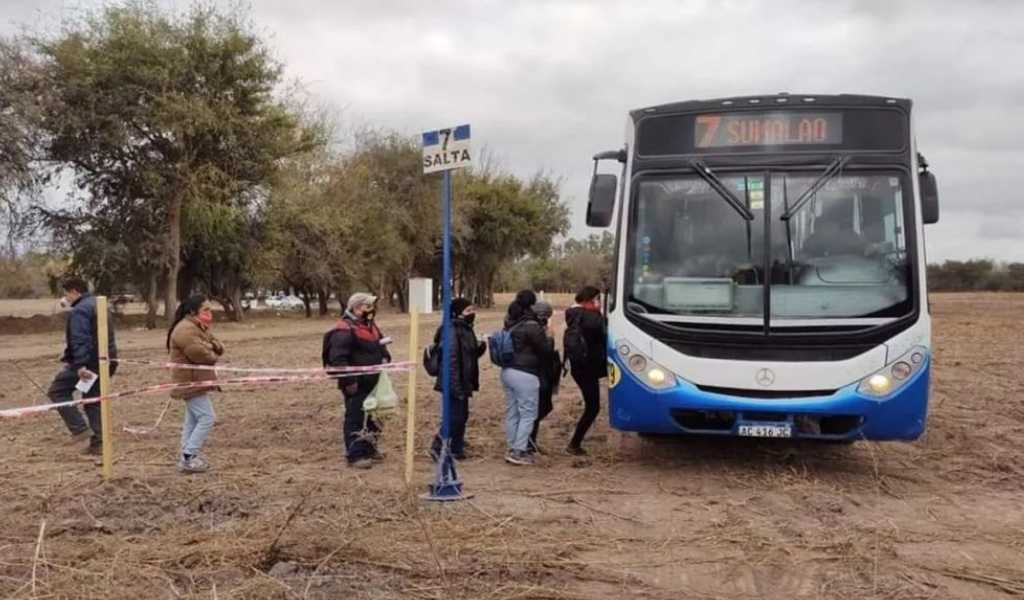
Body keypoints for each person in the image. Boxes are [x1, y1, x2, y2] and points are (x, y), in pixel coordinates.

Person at [47, 275, 118, 456]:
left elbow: (81, 340)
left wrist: (80, 365)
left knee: (57, 391)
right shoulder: (98, 304)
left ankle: (79, 429)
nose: (66, 299)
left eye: (66, 294)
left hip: (88, 363)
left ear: (74, 291)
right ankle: (98, 444)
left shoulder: (80, 310)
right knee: (93, 400)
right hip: (106, 360)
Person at [324, 293, 391, 469]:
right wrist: (349, 381)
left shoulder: (370, 326)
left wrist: (385, 356)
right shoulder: (344, 328)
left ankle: (369, 448)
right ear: (355, 308)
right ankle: (355, 455)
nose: (371, 310)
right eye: (366, 306)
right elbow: (338, 358)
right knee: (355, 417)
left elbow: (380, 344)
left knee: (374, 417)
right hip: (355, 383)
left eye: (371, 306)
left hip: (375, 381)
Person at [167, 295, 223, 474]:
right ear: (193, 311)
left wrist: (211, 347)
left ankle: (186, 456)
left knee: (191, 420)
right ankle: (189, 457)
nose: (209, 313)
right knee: (207, 418)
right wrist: (211, 351)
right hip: (190, 381)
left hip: (197, 380)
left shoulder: (198, 327)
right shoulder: (186, 330)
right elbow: (202, 355)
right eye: (205, 310)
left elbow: (218, 346)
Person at [429, 298, 486, 461]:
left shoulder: (466, 329)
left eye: (473, 310)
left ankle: (456, 448)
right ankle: (437, 447)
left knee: (462, 416)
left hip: (463, 380)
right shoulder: (451, 330)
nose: (472, 314)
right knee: (454, 416)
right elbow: (451, 360)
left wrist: (480, 347)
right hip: (454, 381)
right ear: (458, 313)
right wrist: (454, 386)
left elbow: (469, 355)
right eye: (468, 311)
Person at [500, 290, 553, 466]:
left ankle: (512, 448)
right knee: (528, 414)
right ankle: (519, 451)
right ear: (532, 304)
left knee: (513, 412)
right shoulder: (532, 325)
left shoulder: (510, 321)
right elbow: (545, 350)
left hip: (507, 371)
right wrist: (550, 337)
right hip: (526, 373)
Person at [564, 286, 608, 455]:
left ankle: (575, 443)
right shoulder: (591, 318)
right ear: (590, 300)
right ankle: (574, 444)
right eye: (597, 299)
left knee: (592, 405)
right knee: (593, 407)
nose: (599, 303)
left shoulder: (573, 315)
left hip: (579, 367)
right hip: (588, 368)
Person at [528, 300, 561, 455]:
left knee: (544, 407)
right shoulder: (534, 329)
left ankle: (530, 441)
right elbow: (544, 351)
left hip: (543, 373)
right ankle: (528, 442)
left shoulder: (538, 328)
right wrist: (549, 337)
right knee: (538, 408)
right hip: (537, 374)